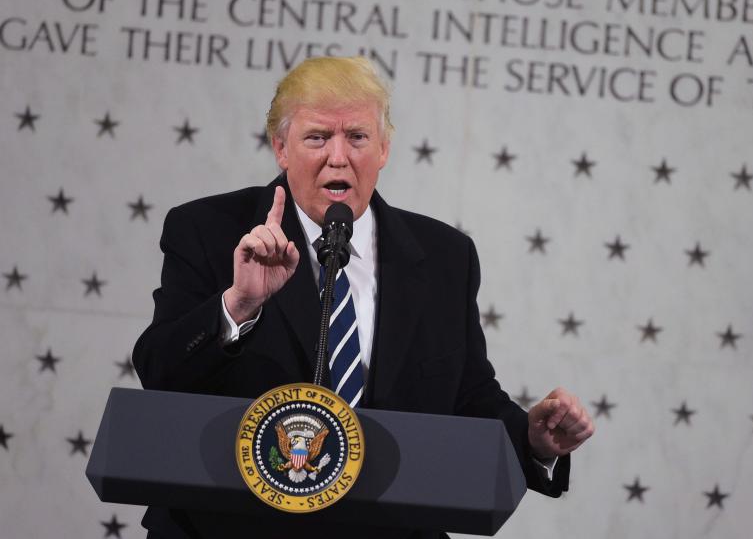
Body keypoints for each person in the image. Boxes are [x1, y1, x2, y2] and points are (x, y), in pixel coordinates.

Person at [133, 56, 594, 538]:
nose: (339, 157)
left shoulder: (444, 258)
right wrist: (238, 306)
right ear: (280, 148)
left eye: (357, 137)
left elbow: (468, 394)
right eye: (316, 137)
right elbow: (161, 372)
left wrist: (533, 439)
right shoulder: (209, 230)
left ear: (384, 149)